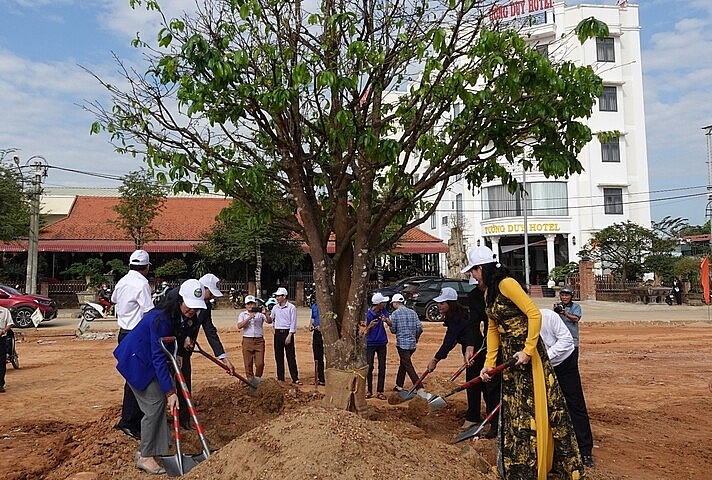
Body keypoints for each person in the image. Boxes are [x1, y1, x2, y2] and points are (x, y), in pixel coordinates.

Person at [465, 245, 584, 480]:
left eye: (473, 271)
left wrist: (528, 350)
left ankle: (542, 463)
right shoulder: (488, 292)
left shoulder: (507, 284)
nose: (472, 276)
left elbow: (534, 314)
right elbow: (492, 327)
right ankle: (520, 464)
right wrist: (489, 362)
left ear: (482, 268)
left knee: (534, 407)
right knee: (515, 411)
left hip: (527, 356)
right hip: (510, 357)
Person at [113, 279, 206, 475]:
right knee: (155, 404)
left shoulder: (178, 317)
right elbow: (157, 357)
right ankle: (145, 456)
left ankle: (160, 447)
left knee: (160, 403)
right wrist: (170, 392)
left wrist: (180, 348)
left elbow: (178, 336)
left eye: (196, 307)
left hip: (147, 360)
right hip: (136, 361)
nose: (192, 311)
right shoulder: (161, 320)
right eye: (190, 306)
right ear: (180, 300)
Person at [174, 273, 236, 429]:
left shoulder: (206, 307)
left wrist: (223, 357)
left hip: (185, 350)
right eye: (210, 293)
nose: (210, 299)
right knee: (164, 383)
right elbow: (170, 321)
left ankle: (185, 420)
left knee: (184, 384)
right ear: (203, 288)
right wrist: (183, 337)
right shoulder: (178, 296)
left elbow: (210, 331)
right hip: (169, 347)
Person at [539, 308, 595, 468]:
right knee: (547, 407)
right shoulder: (515, 327)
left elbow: (566, 341)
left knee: (575, 404)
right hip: (540, 367)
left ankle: (585, 451)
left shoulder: (548, 316)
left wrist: (545, 357)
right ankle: (554, 452)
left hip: (564, 363)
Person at [111, 249, 154, 440]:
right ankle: (129, 421)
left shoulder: (123, 281)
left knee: (132, 377)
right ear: (145, 268)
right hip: (136, 335)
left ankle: (133, 418)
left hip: (123, 333)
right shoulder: (142, 284)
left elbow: (113, 300)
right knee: (137, 379)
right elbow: (148, 311)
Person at [425, 287, 478, 427]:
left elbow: (449, 342)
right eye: (439, 303)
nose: (439, 305)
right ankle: (475, 414)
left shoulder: (458, 319)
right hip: (468, 348)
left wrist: (435, 359)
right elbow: (452, 341)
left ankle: (473, 417)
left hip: (475, 349)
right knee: (475, 381)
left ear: (451, 303)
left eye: (442, 303)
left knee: (473, 383)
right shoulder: (456, 316)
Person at [466, 282, 502, 437]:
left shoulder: (502, 290)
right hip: (490, 342)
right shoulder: (473, 296)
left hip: (510, 340)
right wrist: (470, 345)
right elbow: (474, 324)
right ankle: (494, 424)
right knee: (491, 384)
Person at [388, 293, 423, 392]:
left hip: (402, 344)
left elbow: (393, 330)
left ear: (395, 303)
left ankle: (419, 386)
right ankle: (399, 385)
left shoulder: (395, 314)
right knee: (404, 363)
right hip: (412, 344)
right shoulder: (412, 312)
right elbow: (419, 328)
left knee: (407, 364)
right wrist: (416, 337)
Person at [270, 287, 301, 384]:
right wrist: (273, 327)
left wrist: (290, 335)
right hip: (278, 333)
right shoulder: (275, 307)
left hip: (287, 332)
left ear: (284, 296)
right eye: (277, 296)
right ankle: (280, 378)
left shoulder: (291, 308)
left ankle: (295, 377)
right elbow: (272, 319)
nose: (277, 297)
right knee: (278, 356)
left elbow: (293, 322)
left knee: (290, 356)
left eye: (279, 296)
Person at [237, 295, 272, 379]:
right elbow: (239, 326)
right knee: (248, 363)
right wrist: (249, 318)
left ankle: (257, 378)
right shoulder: (243, 314)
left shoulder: (260, 314)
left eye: (252, 303)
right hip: (247, 340)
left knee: (260, 363)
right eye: (248, 304)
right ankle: (250, 380)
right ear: (245, 305)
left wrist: (265, 313)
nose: (250, 306)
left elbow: (269, 321)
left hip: (259, 341)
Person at [365, 293, 392, 400]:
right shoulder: (368, 314)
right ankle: (369, 390)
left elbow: (390, 324)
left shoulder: (383, 312)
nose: (384, 304)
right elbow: (365, 332)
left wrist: (386, 320)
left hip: (381, 342)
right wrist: (370, 326)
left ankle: (380, 391)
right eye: (383, 303)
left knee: (382, 367)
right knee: (369, 367)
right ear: (379, 304)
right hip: (370, 343)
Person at [556, 286, 583, 367]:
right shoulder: (558, 306)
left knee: (572, 364)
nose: (564, 297)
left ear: (571, 296)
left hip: (572, 340)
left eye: (567, 295)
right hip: (559, 339)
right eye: (562, 295)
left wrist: (565, 314)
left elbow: (576, 319)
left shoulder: (576, 307)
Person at [309, 300, 325, 386]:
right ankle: (319, 378)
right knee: (317, 356)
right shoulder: (314, 306)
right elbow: (313, 318)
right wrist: (311, 325)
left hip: (325, 334)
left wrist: (323, 326)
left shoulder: (326, 305)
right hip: (316, 333)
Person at [0, 305, 13, 393]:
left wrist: (4, 330)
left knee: (1, 362)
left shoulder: (5, 311)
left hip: (1, 339)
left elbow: (10, 323)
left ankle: (0, 384)